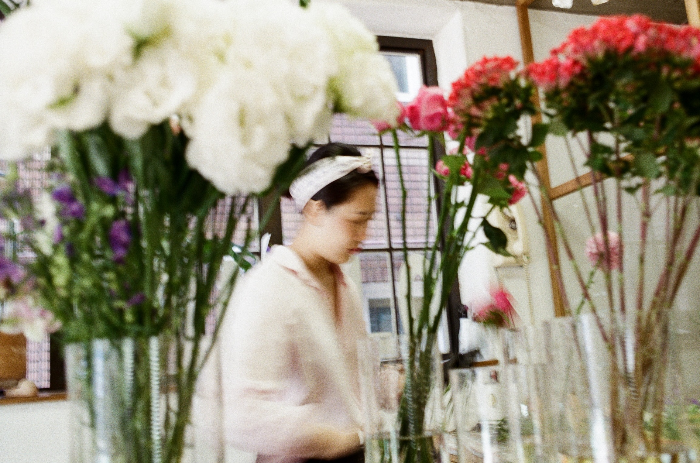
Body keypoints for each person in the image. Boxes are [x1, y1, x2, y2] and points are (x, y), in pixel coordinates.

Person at [221, 143, 378, 463]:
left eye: (369, 220)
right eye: (356, 220)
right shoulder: (270, 286)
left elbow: (347, 389)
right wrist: (333, 439)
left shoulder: (343, 285)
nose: (364, 235)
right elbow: (241, 414)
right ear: (314, 210)